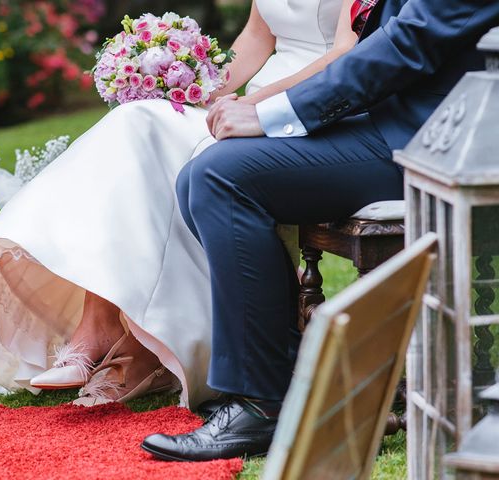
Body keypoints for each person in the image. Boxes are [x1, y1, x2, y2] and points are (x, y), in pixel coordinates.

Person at [0, 0, 356, 408]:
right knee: (140, 116)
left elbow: (345, 54)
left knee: (145, 130)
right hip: (249, 109)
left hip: (310, 113)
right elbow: (256, 37)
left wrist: (258, 102)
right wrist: (187, 83)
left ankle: (119, 340)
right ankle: (111, 332)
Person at [140, 0, 499, 462]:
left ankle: (261, 403)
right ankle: (289, 376)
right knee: (199, 176)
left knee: (219, 177)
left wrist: (271, 113)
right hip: (395, 114)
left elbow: (407, 42)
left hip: (441, 139)